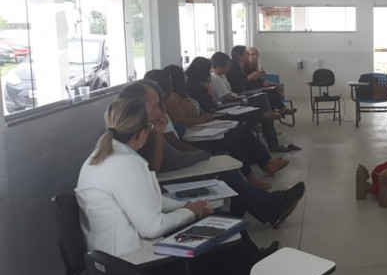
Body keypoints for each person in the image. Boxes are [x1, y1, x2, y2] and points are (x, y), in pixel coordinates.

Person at [75, 98, 273, 275]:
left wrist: (186, 206)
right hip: (136, 264)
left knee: (221, 224)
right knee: (232, 256)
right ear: (143, 133)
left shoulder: (101, 156)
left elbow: (149, 199)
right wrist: (188, 213)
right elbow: (152, 227)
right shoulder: (125, 164)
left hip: (116, 259)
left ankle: (252, 272)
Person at [120, 80, 302, 227]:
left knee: (231, 152)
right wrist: (205, 153)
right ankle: (269, 206)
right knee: (226, 169)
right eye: (156, 106)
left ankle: (267, 207)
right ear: (137, 107)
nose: (162, 110)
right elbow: (168, 163)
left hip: (172, 173)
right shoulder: (140, 133)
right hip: (171, 179)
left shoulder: (148, 127)